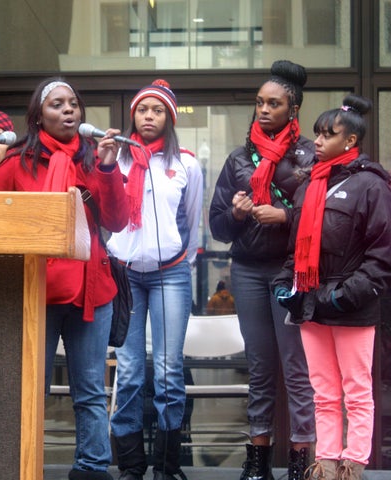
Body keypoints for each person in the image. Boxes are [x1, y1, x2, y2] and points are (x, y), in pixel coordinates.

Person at [0, 78, 129, 480]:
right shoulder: (16, 162)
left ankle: (92, 468)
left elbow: (117, 221)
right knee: (32, 388)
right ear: (38, 117)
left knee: (89, 392)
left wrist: (106, 167)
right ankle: (24, 465)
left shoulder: (94, 158)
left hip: (91, 292)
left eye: (73, 104)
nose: (68, 110)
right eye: (57, 104)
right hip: (36, 291)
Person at [272, 94, 391, 480]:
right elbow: (294, 252)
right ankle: (324, 466)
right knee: (322, 391)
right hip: (311, 304)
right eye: (317, 134)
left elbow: (381, 256)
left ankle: (352, 466)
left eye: (328, 135)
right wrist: (282, 284)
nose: (317, 142)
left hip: (351, 306)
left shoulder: (372, 186)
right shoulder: (309, 186)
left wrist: (343, 296)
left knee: (357, 391)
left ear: (350, 142)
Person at [208, 60, 316, 480]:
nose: (264, 110)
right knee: (259, 367)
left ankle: (300, 464)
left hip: (291, 272)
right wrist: (236, 215)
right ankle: (257, 463)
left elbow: (322, 218)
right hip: (249, 272)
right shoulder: (238, 158)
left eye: (274, 103)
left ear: (293, 109)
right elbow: (218, 226)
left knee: (296, 368)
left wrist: (285, 216)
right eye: (259, 103)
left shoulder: (309, 155)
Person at [106, 80, 203, 480]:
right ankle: (130, 466)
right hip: (125, 276)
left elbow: (192, 220)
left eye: (157, 111)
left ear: (170, 118)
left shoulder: (186, 164)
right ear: (134, 114)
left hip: (170, 275)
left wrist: (183, 259)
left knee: (167, 369)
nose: (149, 116)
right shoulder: (117, 158)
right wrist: (107, 163)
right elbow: (102, 208)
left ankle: (166, 466)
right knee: (128, 371)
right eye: (143, 110)